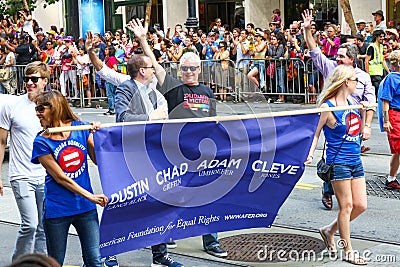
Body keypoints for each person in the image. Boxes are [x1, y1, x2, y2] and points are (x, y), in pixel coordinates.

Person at [302, 9, 375, 210]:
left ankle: (346, 192)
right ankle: (329, 188)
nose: (337, 59)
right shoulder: (331, 69)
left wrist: (367, 126)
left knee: (350, 159)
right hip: (333, 123)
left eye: (341, 56)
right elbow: (315, 51)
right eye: (337, 56)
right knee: (333, 157)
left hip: (355, 126)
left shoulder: (363, 77)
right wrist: (307, 31)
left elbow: (370, 103)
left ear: (352, 59)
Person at [114, 53, 182, 267]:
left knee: (158, 203)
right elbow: (122, 117)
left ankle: (160, 256)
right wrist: (151, 117)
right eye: (151, 67)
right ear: (142, 71)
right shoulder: (126, 89)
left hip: (153, 155)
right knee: (125, 205)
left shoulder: (153, 93)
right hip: (132, 156)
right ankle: (109, 253)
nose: (154, 70)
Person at [31, 90, 108, 266]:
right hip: (58, 210)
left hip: (85, 209)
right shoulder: (41, 141)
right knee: (55, 262)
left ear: (55, 107)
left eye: (41, 108)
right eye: (36, 109)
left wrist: (96, 135)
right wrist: (91, 196)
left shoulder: (79, 128)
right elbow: (60, 177)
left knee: (95, 260)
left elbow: (98, 160)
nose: (37, 113)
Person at [305, 65, 368, 265]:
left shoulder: (351, 103)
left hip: (355, 160)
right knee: (347, 206)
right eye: (355, 80)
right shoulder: (327, 107)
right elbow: (315, 133)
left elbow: (354, 131)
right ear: (346, 82)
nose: (357, 84)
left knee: (360, 206)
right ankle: (348, 250)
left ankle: (328, 230)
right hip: (338, 161)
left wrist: (364, 120)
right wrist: (310, 153)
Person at [0, 61, 48, 262]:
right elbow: (2, 141)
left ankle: (40, 262)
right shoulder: (11, 105)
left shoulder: (52, 104)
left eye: (34, 79)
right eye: (27, 78)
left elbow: (68, 131)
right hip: (21, 175)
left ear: (45, 81)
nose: (29, 82)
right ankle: (19, 262)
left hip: (46, 176)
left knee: (43, 226)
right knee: (30, 224)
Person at [378, 50, 400, 190]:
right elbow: (386, 101)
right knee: (397, 150)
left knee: (398, 151)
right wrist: (386, 121)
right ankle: (391, 178)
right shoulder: (391, 78)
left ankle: (391, 178)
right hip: (394, 115)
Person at [364, 30, 390, 96]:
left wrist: (389, 72)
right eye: (380, 37)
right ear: (376, 37)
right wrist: (367, 74)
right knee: (377, 91)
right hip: (373, 73)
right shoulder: (371, 47)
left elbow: (382, 60)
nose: (382, 38)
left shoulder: (381, 47)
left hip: (380, 72)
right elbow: (366, 61)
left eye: (383, 36)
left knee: (380, 91)